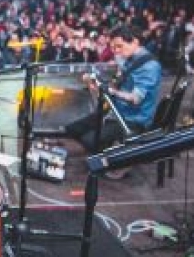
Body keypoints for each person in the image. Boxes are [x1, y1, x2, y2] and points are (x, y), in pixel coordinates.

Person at [65, 25, 162, 175]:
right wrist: (94, 82)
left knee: (89, 140)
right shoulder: (130, 59)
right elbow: (117, 80)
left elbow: (136, 99)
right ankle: (103, 152)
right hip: (116, 112)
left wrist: (111, 91)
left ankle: (114, 164)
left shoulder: (149, 66)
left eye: (119, 46)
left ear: (135, 42)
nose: (116, 51)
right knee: (72, 129)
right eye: (113, 47)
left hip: (132, 120)